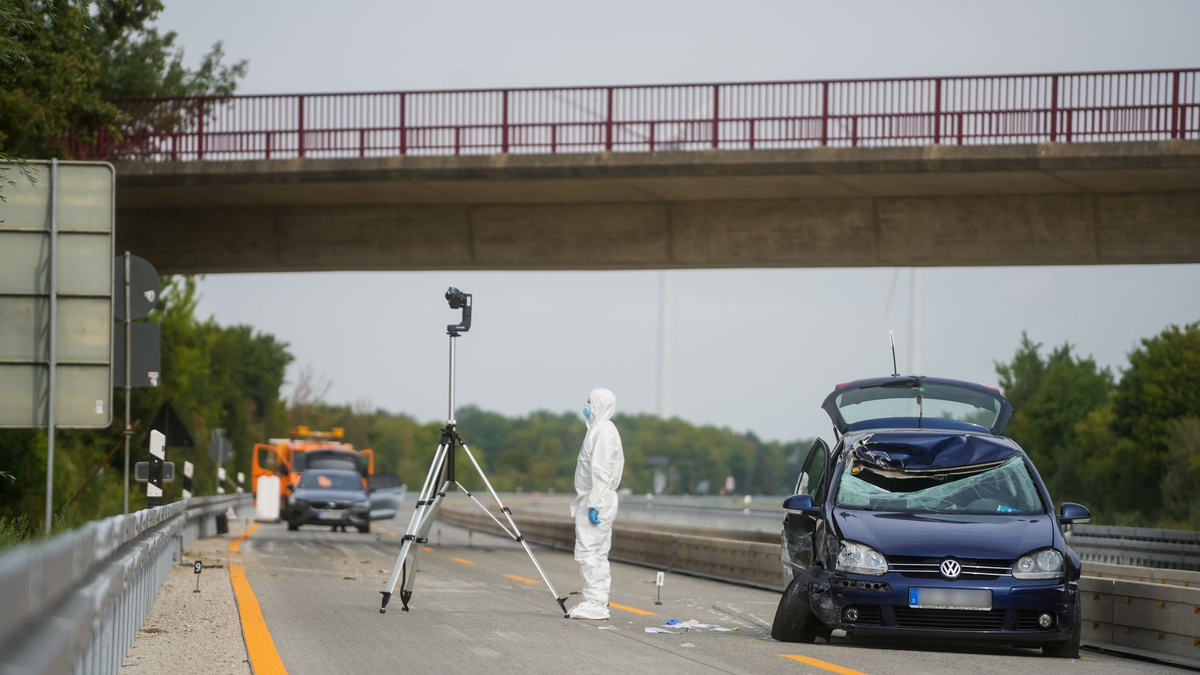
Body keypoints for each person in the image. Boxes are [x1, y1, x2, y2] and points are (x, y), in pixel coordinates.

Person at [567, 388, 625, 620]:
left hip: (597, 499)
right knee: (597, 553)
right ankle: (596, 600)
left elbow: (601, 471)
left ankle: (595, 603)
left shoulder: (604, 432)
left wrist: (595, 504)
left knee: (588, 552)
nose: (586, 405)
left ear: (599, 404)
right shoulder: (596, 430)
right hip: (595, 497)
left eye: (590, 401)